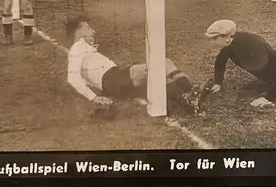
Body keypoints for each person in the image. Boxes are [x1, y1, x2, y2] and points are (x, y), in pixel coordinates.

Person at [65, 16, 198, 114]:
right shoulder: (77, 47)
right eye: (88, 28)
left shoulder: (83, 48)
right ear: (79, 32)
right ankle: (190, 91)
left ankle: (186, 101)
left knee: (156, 79)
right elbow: (72, 78)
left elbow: (85, 78)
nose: (93, 31)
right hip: (114, 78)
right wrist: (93, 98)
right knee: (164, 63)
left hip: (115, 82)